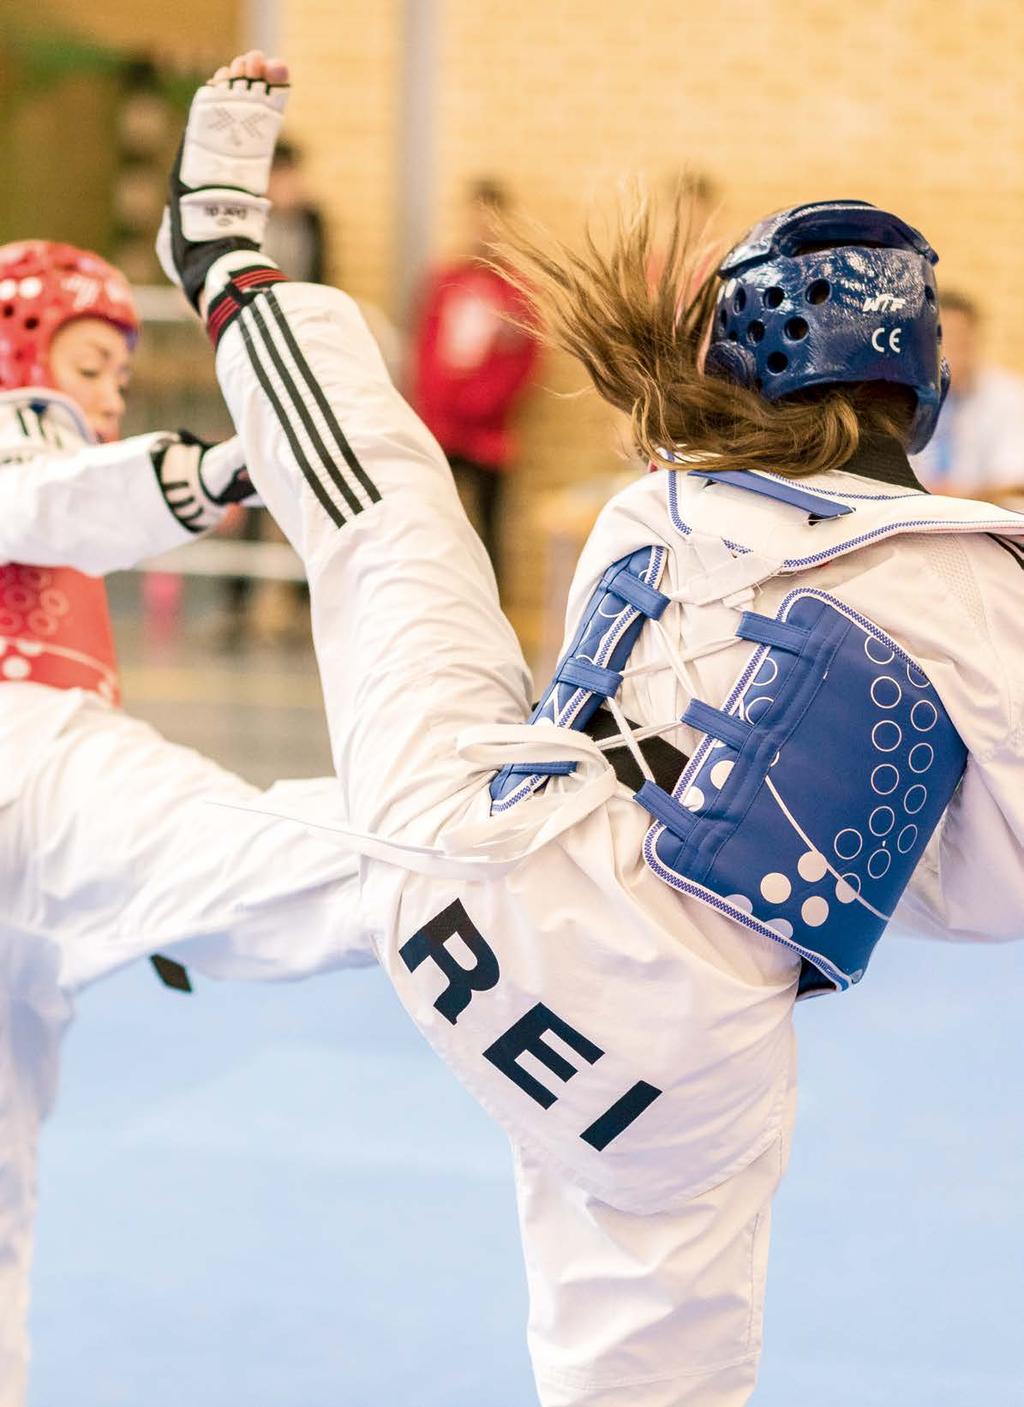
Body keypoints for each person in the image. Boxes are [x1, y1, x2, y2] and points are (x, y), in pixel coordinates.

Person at [162, 53, 1024, 1407]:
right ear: (920, 385)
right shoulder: (978, 578)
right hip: (658, 1059)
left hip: (451, 882)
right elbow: (999, 881)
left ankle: (221, 255)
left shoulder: (658, 505)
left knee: (386, 518)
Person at [0, 239, 371, 1406]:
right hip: (25, 756)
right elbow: (45, 498)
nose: (109, 392)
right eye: (95, 359)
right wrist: (221, 469)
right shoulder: (24, 430)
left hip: (34, 799)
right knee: (263, 861)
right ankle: (495, 841)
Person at [410, 177, 539, 590]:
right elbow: (426, 351)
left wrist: (477, 405)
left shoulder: (518, 293)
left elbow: (523, 363)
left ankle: (494, 602)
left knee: (488, 529)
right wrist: (439, 408)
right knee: (433, 521)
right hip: (441, 428)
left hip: (488, 434)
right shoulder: (446, 280)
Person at [911, 289, 1024, 501]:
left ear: (974, 339)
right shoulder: (904, 395)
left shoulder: (1010, 397)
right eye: (942, 340)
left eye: (960, 340)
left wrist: (958, 497)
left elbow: (1015, 480)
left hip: (984, 520)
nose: (951, 351)